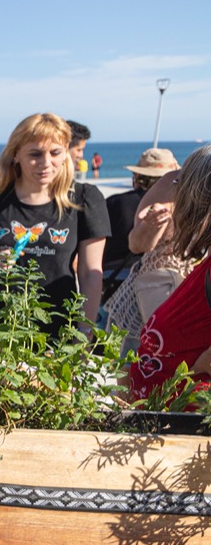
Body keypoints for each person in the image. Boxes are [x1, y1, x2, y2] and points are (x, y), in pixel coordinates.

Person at [0, 113, 110, 333]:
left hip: (54, 332)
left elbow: (90, 274)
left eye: (55, 153)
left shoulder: (84, 198)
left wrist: (84, 333)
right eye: (35, 154)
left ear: (66, 152)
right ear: (16, 154)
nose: (46, 163)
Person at [128, 146, 211, 403]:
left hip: (185, 416)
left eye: (181, 185)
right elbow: (136, 243)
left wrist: (197, 367)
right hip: (168, 414)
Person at [110, 148, 204, 355]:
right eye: (143, 179)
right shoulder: (171, 185)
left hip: (188, 292)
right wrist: (151, 226)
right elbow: (136, 244)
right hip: (158, 293)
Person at [100, 147, 180, 307]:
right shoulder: (176, 207)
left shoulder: (115, 202)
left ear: (138, 177)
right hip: (160, 283)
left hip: (114, 279)